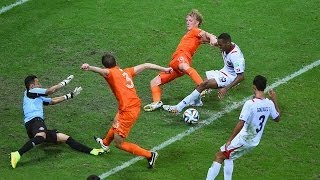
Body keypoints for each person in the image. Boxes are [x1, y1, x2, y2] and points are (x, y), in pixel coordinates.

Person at [81, 52, 172, 168]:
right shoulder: (126, 71)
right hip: (131, 105)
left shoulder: (109, 73)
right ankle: (104, 143)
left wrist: (89, 67)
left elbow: (102, 71)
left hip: (128, 111)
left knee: (119, 143)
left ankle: (150, 155)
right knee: (115, 121)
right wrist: (165, 69)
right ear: (116, 62)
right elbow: (146, 65)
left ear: (105, 66)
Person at [10, 75, 104, 169]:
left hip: (32, 127)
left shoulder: (35, 97)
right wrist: (64, 83)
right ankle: (17, 154)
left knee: (65, 138)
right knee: (42, 136)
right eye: (38, 83)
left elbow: (53, 101)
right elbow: (50, 91)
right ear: (32, 86)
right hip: (35, 121)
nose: (40, 84)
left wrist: (69, 95)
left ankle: (92, 151)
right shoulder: (31, 91)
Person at [206, 75, 281, 180]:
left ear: (254, 87)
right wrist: (274, 100)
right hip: (254, 140)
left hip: (244, 139)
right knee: (229, 157)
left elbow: (241, 123)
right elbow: (277, 118)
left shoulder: (250, 104)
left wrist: (229, 140)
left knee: (219, 156)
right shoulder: (269, 103)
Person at [143, 9, 217, 112]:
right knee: (154, 82)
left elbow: (207, 34)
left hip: (182, 58)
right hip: (174, 65)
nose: (187, 22)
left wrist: (212, 38)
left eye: (190, 20)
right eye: (187, 20)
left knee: (184, 66)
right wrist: (212, 39)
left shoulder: (195, 30)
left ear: (197, 22)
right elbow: (206, 37)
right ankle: (157, 102)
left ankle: (202, 86)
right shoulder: (192, 34)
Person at [162, 33, 245, 113]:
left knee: (205, 84)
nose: (219, 47)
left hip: (231, 77)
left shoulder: (236, 56)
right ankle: (197, 102)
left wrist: (226, 88)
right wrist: (201, 40)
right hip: (224, 71)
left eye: (221, 45)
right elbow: (214, 42)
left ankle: (178, 107)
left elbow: (241, 76)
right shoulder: (227, 45)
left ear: (227, 43)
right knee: (202, 83)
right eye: (219, 45)